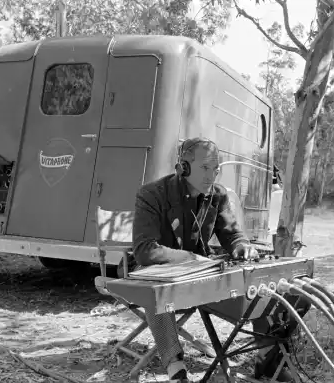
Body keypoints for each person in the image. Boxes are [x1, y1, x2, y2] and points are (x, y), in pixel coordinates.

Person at [132, 137, 310, 383]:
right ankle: (176, 369)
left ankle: (267, 360)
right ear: (183, 166)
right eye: (205, 167)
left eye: (215, 169)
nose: (211, 175)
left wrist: (242, 247)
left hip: (202, 277)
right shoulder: (152, 194)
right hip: (161, 275)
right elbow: (144, 250)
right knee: (156, 292)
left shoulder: (218, 196)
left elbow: (234, 235)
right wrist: (190, 258)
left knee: (268, 290)